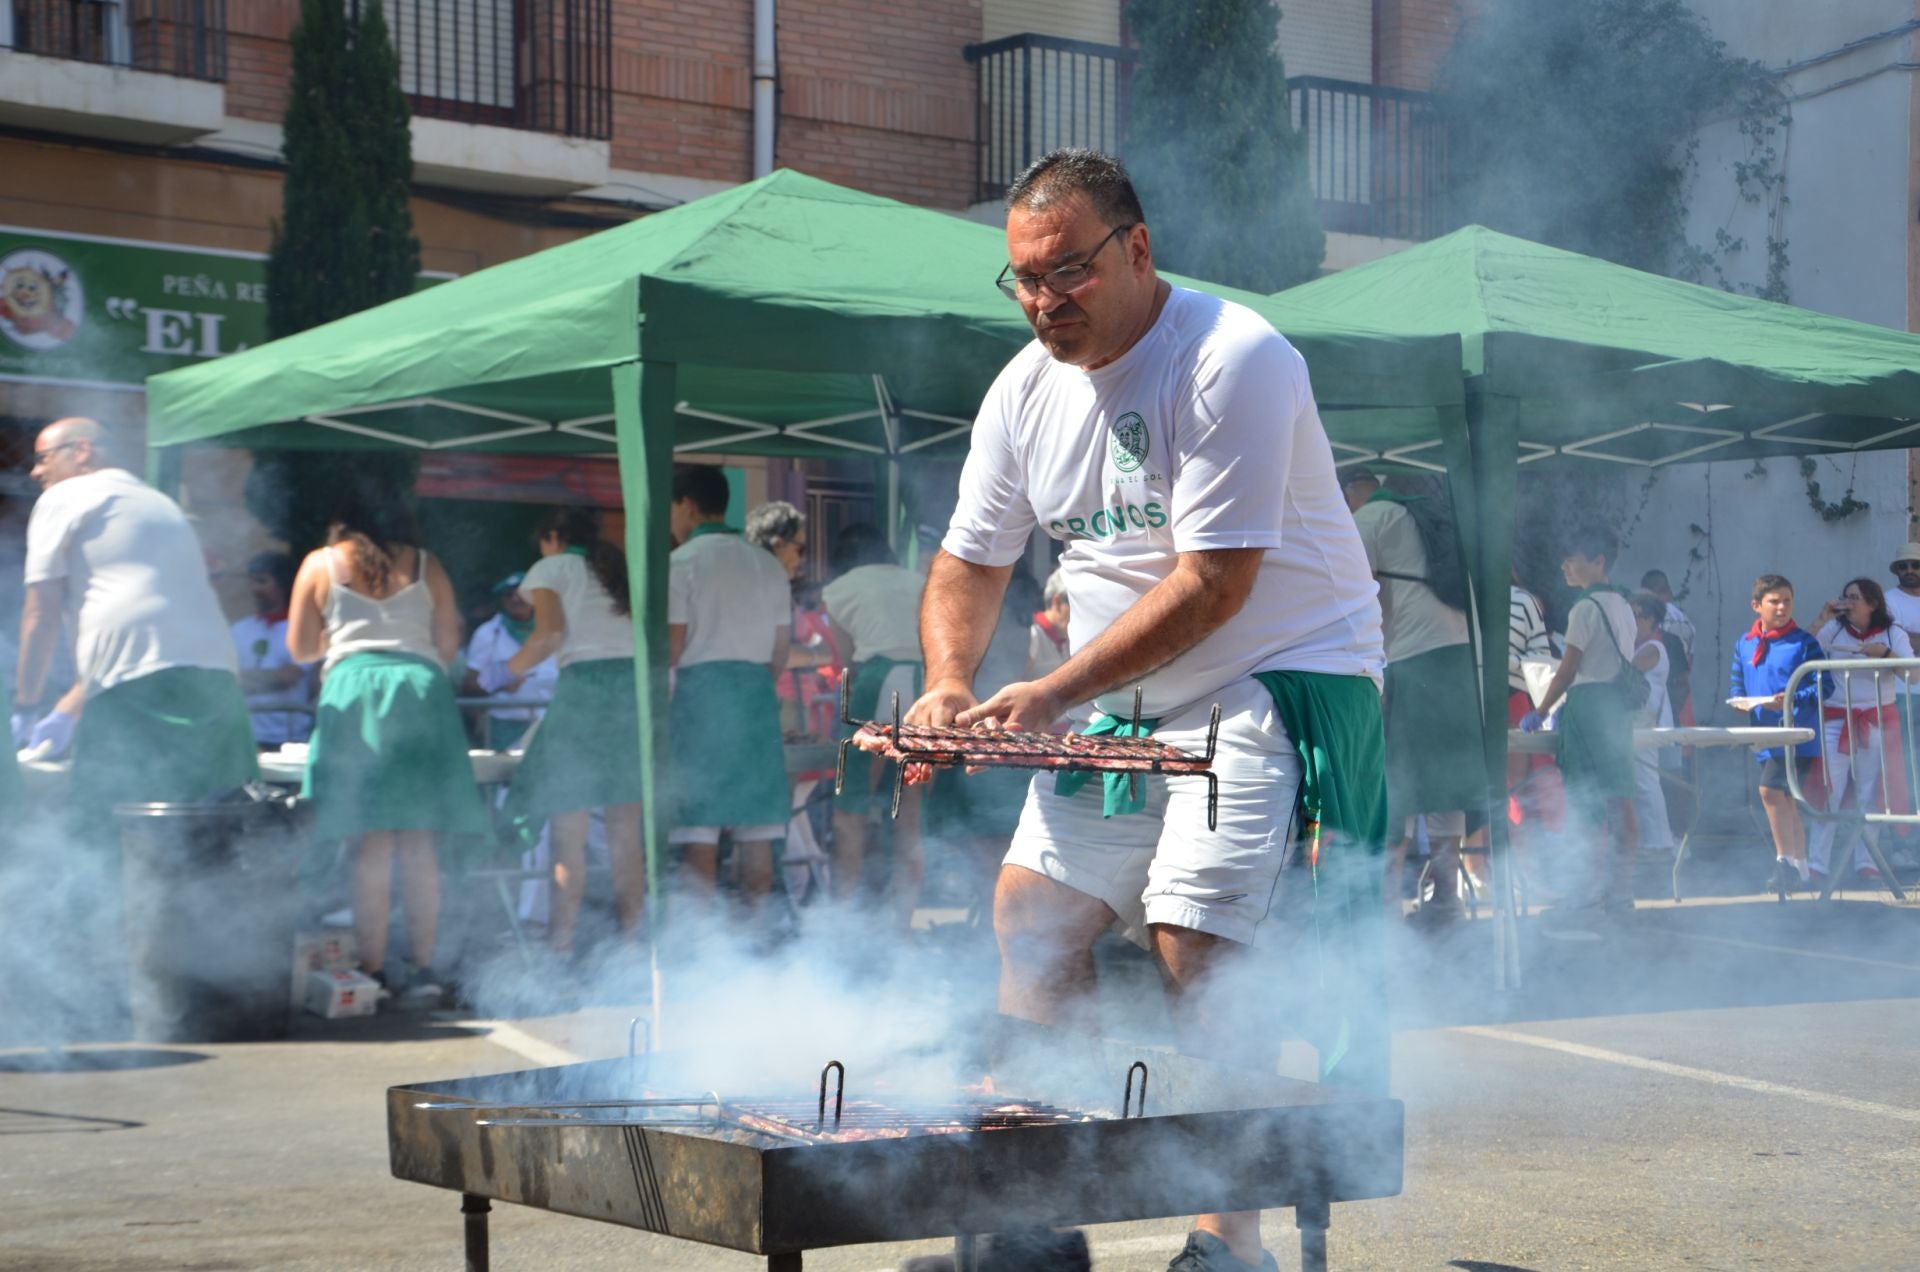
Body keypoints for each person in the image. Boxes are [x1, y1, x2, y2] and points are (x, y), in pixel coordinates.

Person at [908, 149, 1387, 1272]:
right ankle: (1039, 1216)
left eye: (1066, 271)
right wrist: (948, 679)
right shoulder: (1022, 389)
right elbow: (969, 561)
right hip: (1124, 700)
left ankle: (1229, 1244)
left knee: (1195, 940)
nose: (1043, 300)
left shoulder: (1231, 356)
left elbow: (1215, 582)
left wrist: (1053, 689)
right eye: (1024, 279)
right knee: (1031, 917)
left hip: (1274, 673)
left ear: (1136, 249)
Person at [287, 483, 487, 1006]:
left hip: (354, 692)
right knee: (419, 843)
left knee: (370, 843)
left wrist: (340, 637)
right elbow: (448, 644)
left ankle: (372, 971)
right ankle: (423, 970)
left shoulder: (319, 564)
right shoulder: (426, 564)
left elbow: (300, 649)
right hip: (421, 693)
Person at [16, 417, 257, 824]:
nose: (35, 471)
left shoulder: (67, 495)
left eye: (43, 457)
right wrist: (68, 709)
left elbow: (41, 612)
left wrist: (25, 704)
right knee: (215, 826)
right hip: (217, 679)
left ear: (82, 450)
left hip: (134, 689)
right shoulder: (161, 503)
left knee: (110, 824)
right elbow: (149, 629)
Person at [500, 507, 648, 954]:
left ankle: (561, 945)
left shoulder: (552, 567)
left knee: (569, 831)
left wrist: (507, 671)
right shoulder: (618, 568)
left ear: (553, 537)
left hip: (585, 690)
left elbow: (548, 635)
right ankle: (634, 946)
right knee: (626, 835)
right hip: (632, 693)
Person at [1342, 466, 1480, 922]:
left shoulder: (1369, 519)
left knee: (1394, 781)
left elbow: (1359, 599)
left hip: (1412, 658)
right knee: (1445, 783)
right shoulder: (1427, 516)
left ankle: (1384, 908)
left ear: (1355, 491)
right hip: (1459, 657)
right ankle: (1446, 899)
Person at [666, 469, 793, 923]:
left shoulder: (681, 563)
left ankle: (700, 943)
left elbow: (672, 648)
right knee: (757, 827)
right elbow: (781, 650)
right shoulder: (768, 564)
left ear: (686, 505)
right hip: (756, 698)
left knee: (698, 828)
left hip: (700, 700)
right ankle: (756, 937)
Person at [1524, 525, 1639, 917]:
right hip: (1616, 707)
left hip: (1588, 706)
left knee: (1586, 803)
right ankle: (1620, 892)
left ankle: (1586, 892)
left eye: (1571, 560)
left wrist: (1541, 711)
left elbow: (1568, 670)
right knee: (1620, 799)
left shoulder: (1585, 608)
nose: (1564, 567)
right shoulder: (1623, 605)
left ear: (1598, 561)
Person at [822, 522, 929, 927]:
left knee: (851, 808)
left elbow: (848, 662)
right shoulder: (918, 582)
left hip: (877, 682)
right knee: (910, 816)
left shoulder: (838, 589)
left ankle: (842, 918)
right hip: (924, 689)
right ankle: (903, 924)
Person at [1806, 578, 1912, 884]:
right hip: (1836, 719)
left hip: (1877, 721)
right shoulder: (1833, 628)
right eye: (1845, 597)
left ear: (1872, 604)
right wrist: (1822, 617)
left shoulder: (1893, 633)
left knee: (1871, 792)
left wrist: (1885, 655)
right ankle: (1817, 864)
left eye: (1855, 598)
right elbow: (1800, 651)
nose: (1848, 602)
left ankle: (1867, 862)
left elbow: (1914, 674)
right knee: (1829, 789)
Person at [1727, 574, 1828, 892]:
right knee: (1785, 800)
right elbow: (1737, 680)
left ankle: (1784, 862)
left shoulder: (1804, 642)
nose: (1782, 607)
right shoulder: (1744, 643)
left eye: (1787, 601)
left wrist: (1790, 700)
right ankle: (1801, 870)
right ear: (1756, 606)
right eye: (1774, 601)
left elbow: (1825, 685)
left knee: (1769, 791)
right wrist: (1738, 700)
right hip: (1764, 734)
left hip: (1796, 736)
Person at [462, 573, 558, 751]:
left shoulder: (555, 630)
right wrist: (500, 683)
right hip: (502, 727)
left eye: (522, 593)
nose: (516, 599)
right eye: (508, 594)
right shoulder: (488, 633)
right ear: (501, 601)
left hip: (548, 724)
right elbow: (469, 687)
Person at [231, 551, 313, 749]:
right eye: (252, 581)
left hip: (291, 739)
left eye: (262, 581)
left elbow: (288, 677)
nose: (254, 589)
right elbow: (229, 678)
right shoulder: (238, 630)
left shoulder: (302, 629)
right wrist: (270, 677)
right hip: (247, 737)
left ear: (282, 584)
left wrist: (246, 678)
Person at [1628, 591, 1676, 858]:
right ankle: (1650, 841)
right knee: (1639, 783)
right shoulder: (1639, 647)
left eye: (1636, 616)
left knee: (1646, 783)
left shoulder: (1653, 649)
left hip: (1643, 725)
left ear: (1649, 620)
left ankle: (1659, 842)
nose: (1631, 621)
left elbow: (1626, 672)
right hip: (1634, 724)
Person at [1640, 568, 1696, 723]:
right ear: (1669, 591)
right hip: (1683, 700)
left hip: (1659, 700)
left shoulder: (1652, 619)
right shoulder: (1686, 622)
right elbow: (1689, 664)